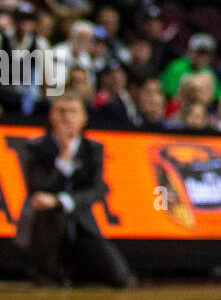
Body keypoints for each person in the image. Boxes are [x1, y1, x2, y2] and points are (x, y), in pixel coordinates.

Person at [14, 93, 132, 287]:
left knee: (119, 276)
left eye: (72, 111)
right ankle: (46, 270)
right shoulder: (35, 147)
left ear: (84, 117)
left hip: (82, 222)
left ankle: (78, 268)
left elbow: (97, 189)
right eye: (61, 111)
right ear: (51, 115)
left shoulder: (93, 148)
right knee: (51, 216)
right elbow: (38, 188)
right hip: (45, 227)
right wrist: (63, 159)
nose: (67, 117)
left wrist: (63, 201)